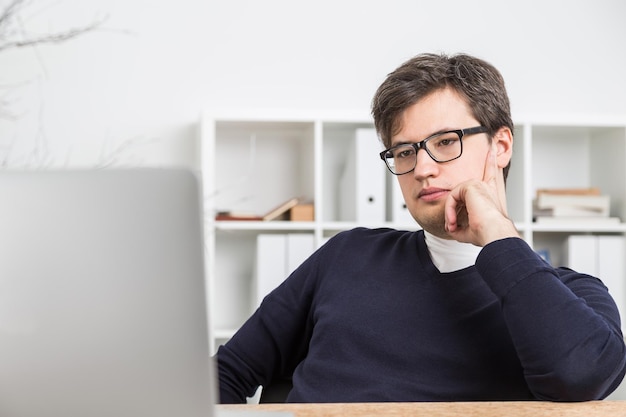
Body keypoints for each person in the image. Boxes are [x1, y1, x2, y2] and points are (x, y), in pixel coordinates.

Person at [216, 53, 626, 403]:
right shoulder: (346, 256)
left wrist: (497, 233)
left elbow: (580, 378)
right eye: (405, 151)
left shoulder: (574, 297)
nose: (423, 169)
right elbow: (226, 374)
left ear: (500, 147)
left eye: (446, 141)